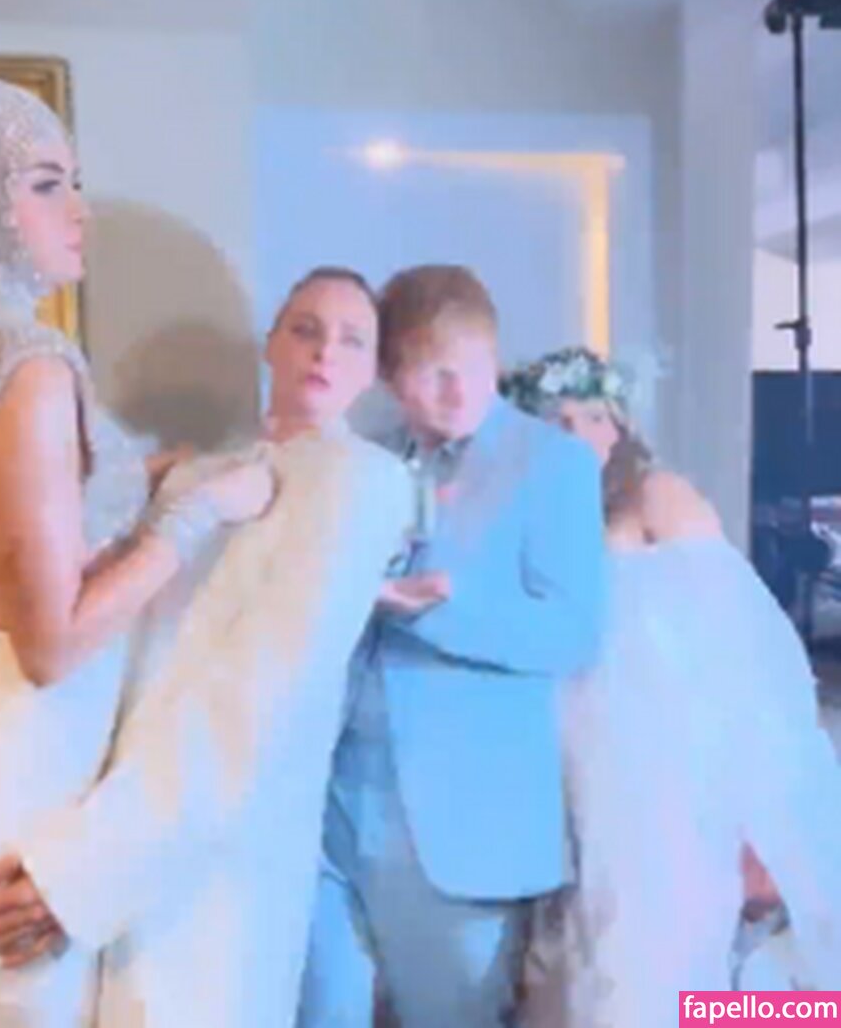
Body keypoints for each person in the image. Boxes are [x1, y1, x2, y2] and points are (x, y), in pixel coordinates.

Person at [0, 73, 273, 1026]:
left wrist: (147, 476)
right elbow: (49, 647)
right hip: (7, 776)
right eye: (47, 183)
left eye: (74, 182)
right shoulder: (32, 367)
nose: (79, 210)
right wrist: (194, 515)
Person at [0, 267, 415, 1026]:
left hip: (216, 844)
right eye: (305, 329)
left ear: (370, 373)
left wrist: (88, 865)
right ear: (271, 343)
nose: (324, 351)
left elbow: (266, 690)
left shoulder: (363, 479)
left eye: (351, 340)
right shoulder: (200, 471)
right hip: (109, 805)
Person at [299, 266, 607, 1028]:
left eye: (474, 365)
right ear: (392, 377)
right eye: (433, 372)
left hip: (463, 826)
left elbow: (572, 631)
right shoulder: (366, 458)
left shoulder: (555, 462)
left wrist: (429, 610)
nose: (459, 388)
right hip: (329, 804)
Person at [504, 346, 841, 1027]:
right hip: (573, 763)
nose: (575, 434)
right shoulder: (526, 519)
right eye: (557, 421)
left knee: (661, 958)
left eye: (592, 416)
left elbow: (744, 655)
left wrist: (763, 808)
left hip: (667, 767)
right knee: (581, 962)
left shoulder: (659, 497)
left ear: (620, 424)